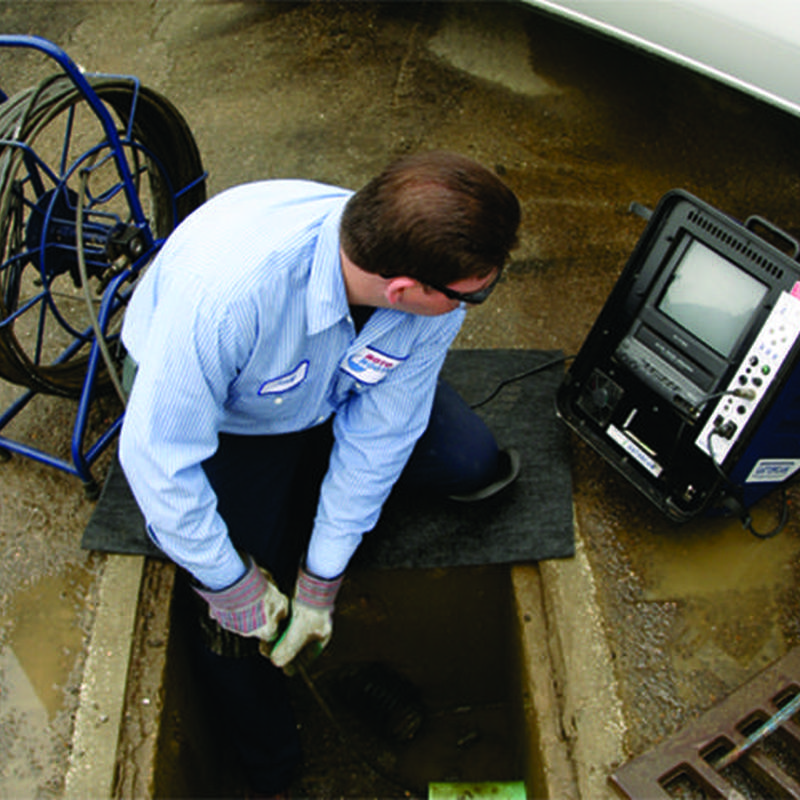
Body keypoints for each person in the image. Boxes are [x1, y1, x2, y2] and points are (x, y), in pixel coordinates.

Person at [119, 150, 521, 797]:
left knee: (469, 460)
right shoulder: (229, 299)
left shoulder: (427, 284)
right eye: (470, 296)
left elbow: (384, 432)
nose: (473, 304)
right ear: (403, 290)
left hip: (329, 390)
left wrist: (322, 576)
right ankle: (273, 768)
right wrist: (232, 584)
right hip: (233, 416)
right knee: (229, 613)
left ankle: (305, 513)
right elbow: (157, 459)